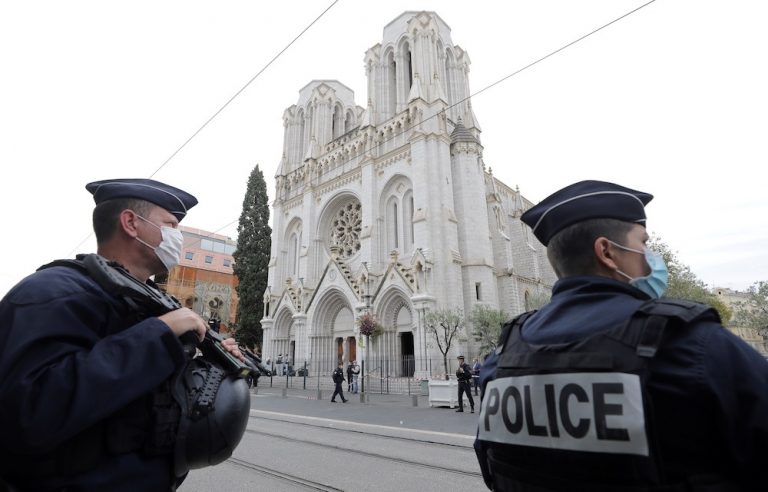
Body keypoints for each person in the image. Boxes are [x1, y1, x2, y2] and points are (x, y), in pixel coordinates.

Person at [474, 180, 768, 491]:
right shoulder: (696, 346)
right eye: (643, 242)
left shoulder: (500, 362)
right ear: (607, 252)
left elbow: (493, 468)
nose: (651, 256)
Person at [0, 178, 246, 491]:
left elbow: (167, 403)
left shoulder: (157, 305)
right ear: (131, 223)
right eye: (170, 224)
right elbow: (27, 413)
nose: (178, 237)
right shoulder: (52, 292)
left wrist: (217, 368)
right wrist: (159, 335)